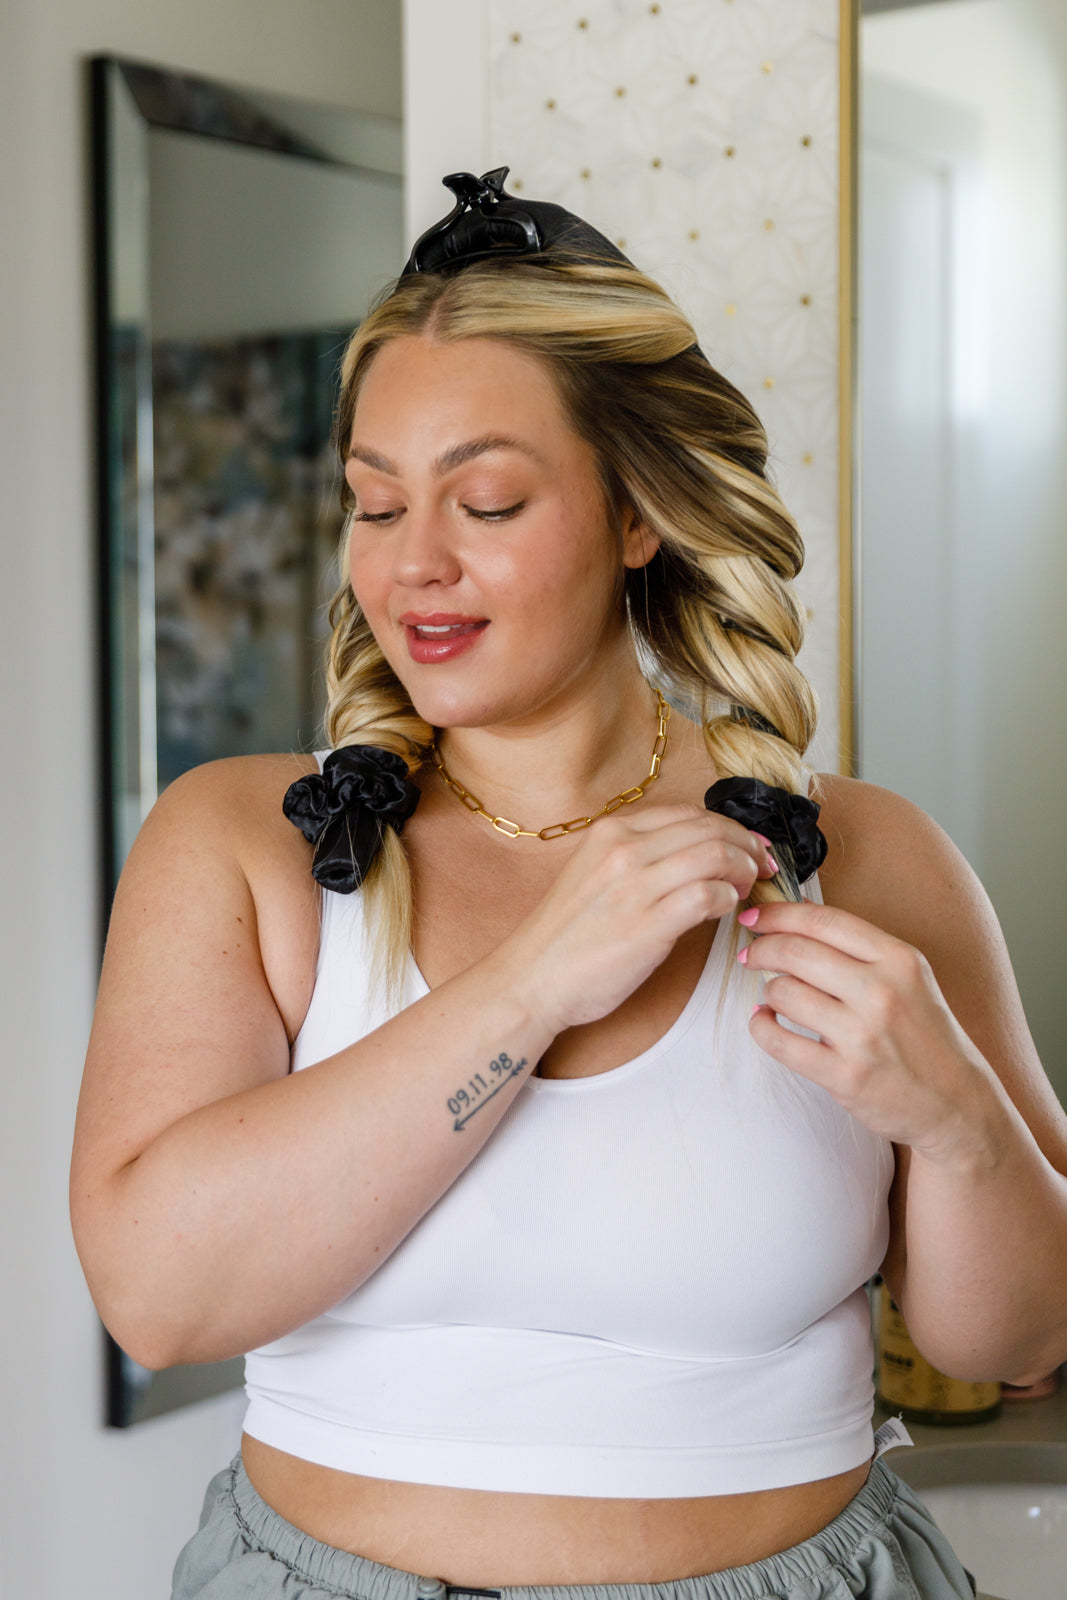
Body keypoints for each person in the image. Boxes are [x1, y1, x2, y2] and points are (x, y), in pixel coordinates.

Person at [71, 169, 1067, 1600]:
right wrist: (536, 982)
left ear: (638, 514)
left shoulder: (865, 859)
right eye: (372, 502)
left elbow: (1016, 1342)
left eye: (484, 500)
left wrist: (958, 1122)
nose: (412, 565)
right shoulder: (247, 847)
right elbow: (159, 1302)